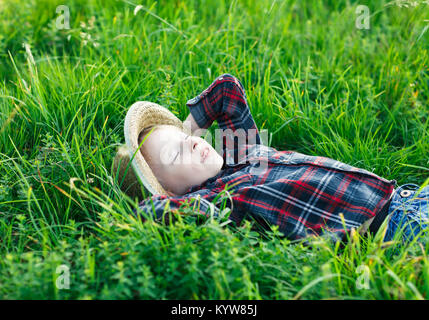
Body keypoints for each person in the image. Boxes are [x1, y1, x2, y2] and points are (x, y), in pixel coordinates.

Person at [116, 74, 429, 245]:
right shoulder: (220, 201)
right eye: (177, 154)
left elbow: (227, 90)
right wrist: (163, 195)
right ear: (172, 191)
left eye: (189, 140)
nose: (195, 145)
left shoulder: (239, 152)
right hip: (394, 228)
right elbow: (155, 211)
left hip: (406, 195)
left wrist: (184, 134)